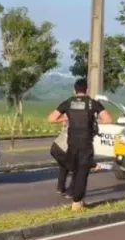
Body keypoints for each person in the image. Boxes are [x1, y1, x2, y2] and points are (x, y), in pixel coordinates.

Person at [47, 79, 112, 211]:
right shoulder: (92, 103)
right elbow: (108, 119)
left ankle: (77, 199)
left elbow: (51, 118)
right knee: (82, 172)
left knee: (76, 171)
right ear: (86, 90)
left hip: (72, 143)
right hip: (86, 143)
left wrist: (65, 118)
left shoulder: (68, 103)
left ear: (74, 90)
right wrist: (94, 122)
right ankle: (77, 202)